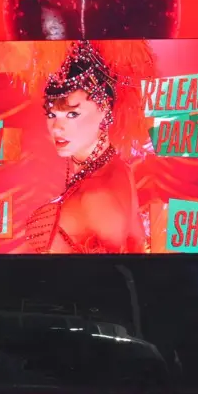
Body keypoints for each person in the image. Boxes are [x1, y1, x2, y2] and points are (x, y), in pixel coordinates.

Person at [24, 39, 151, 254]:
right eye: (52, 114)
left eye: (72, 114)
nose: (58, 127)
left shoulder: (96, 197)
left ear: (105, 110)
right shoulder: (117, 167)